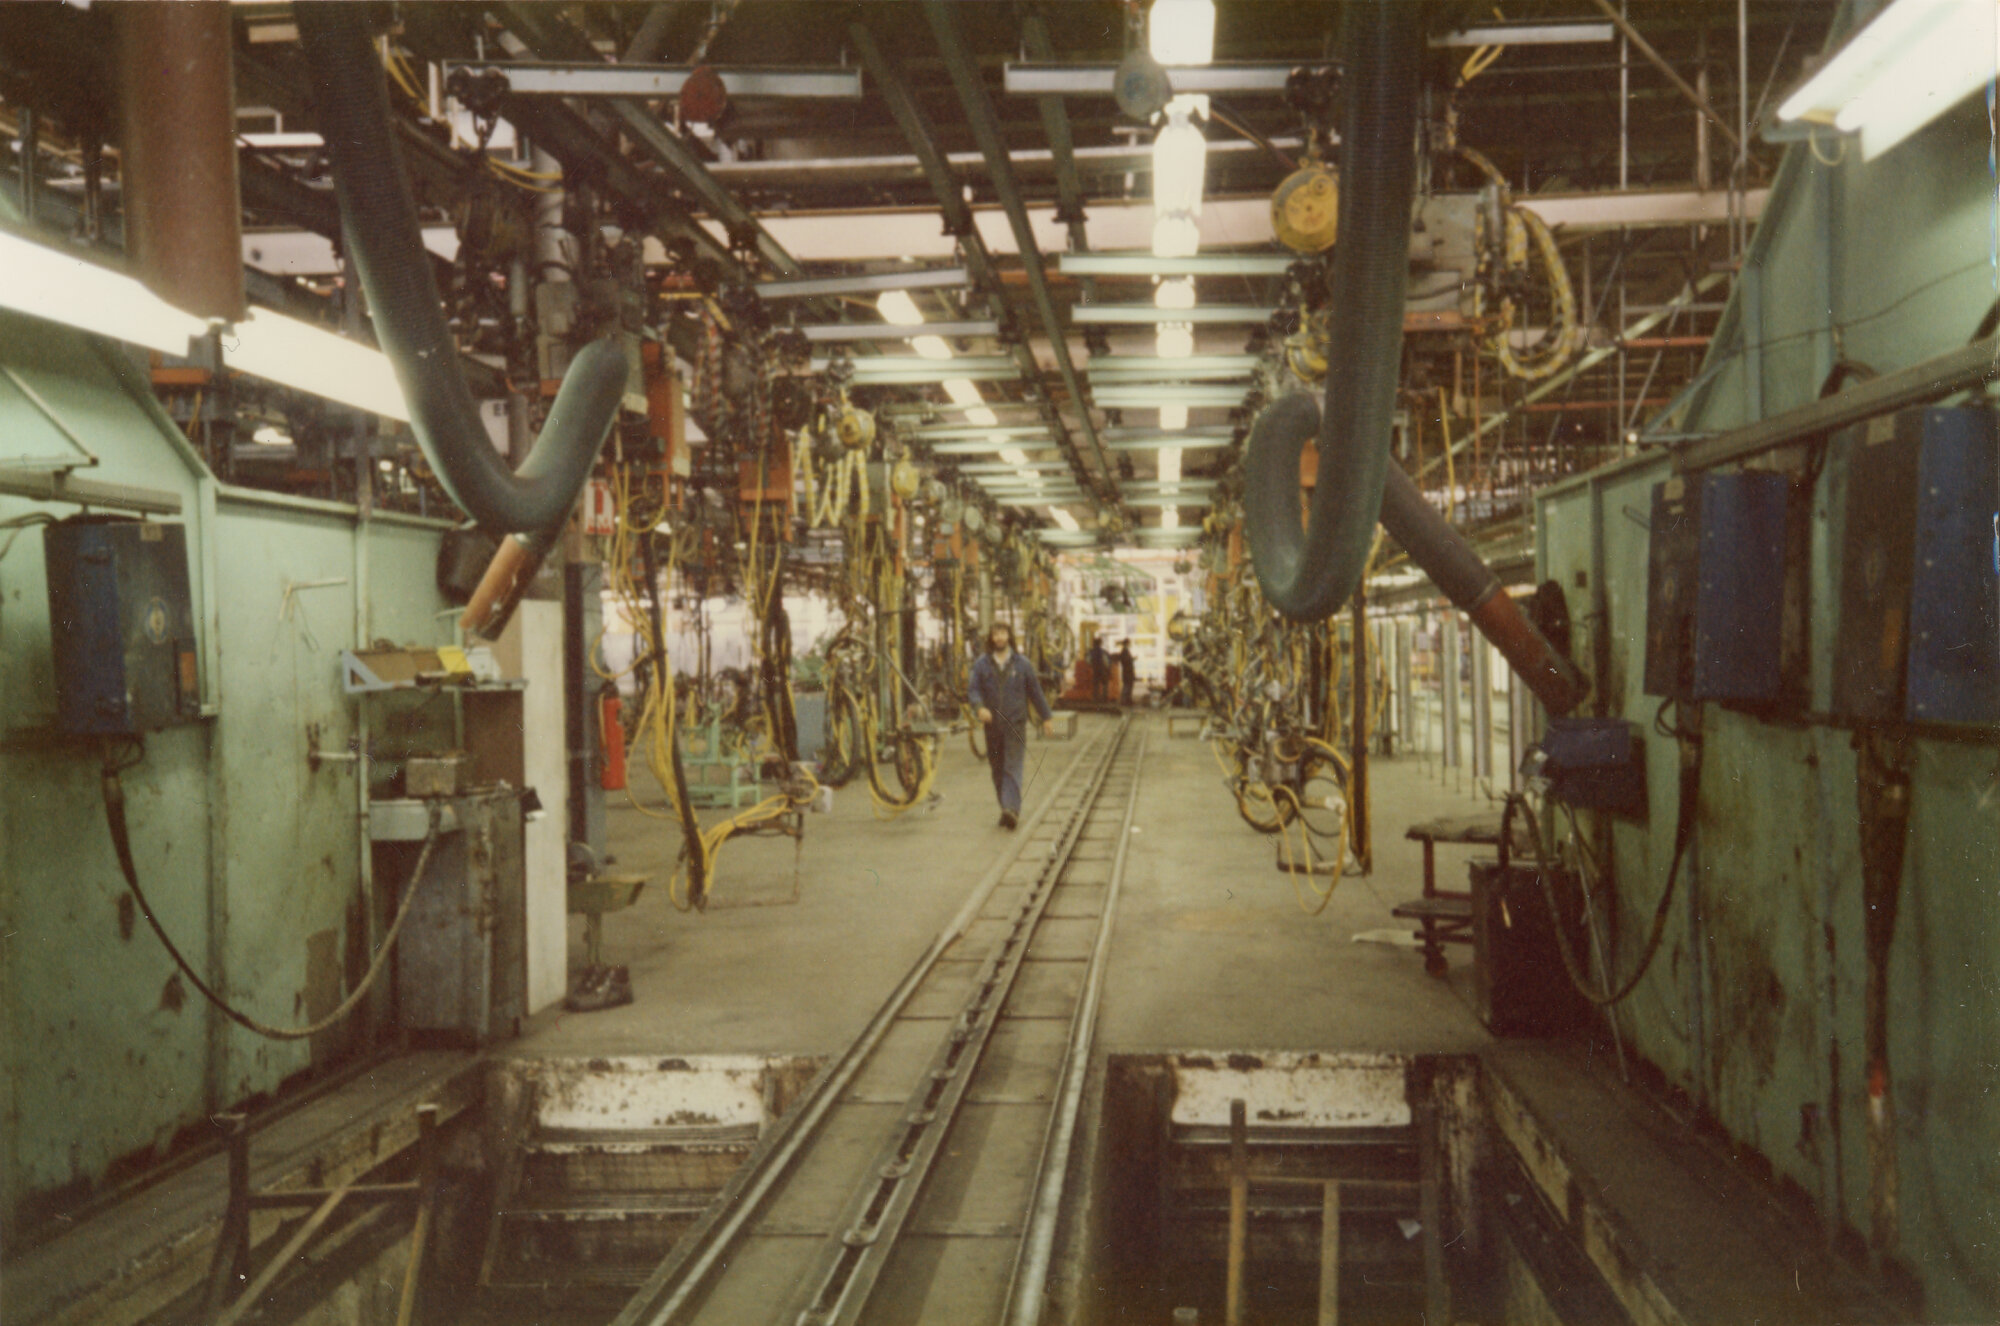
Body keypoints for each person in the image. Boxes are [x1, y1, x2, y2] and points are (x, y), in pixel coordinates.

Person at [969, 622, 1055, 829]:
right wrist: (979, 707)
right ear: (991, 638)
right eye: (995, 633)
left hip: (1015, 723)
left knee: (1012, 766)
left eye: (1003, 633)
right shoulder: (982, 664)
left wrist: (1046, 717)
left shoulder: (1022, 664)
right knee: (997, 769)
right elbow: (973, 690)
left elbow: (1035, 692)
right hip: (992, 725)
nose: (999, 637)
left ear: (1009, 636)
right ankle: (1006, 808)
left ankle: (1011, 808)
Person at [1087, 636, 1111, 703]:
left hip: (1095, 670)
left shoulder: (1091, 652)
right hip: (1102, 670)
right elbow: (1106, 662)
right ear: (1100, 644)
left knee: (1096, 685)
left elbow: (1088, 661)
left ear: (1094, 643)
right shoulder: (1103, 652)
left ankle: (1096, 699)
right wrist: (1108, 669)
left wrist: (1092, 665)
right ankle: (1104, 698)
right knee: (1104, 684)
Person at [1115, 639, 1136, 707]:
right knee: (1127, 686)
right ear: (1127, 644)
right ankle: (1125, 701)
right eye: (1129, 643)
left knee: (1128, 686)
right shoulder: (1125, 651)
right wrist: (1132, 659)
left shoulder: (1124, 651)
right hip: (1128, 671)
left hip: (1127, 671)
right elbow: (1125, 660)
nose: (1130, 644)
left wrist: (1131, 659)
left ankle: (1127, 700)